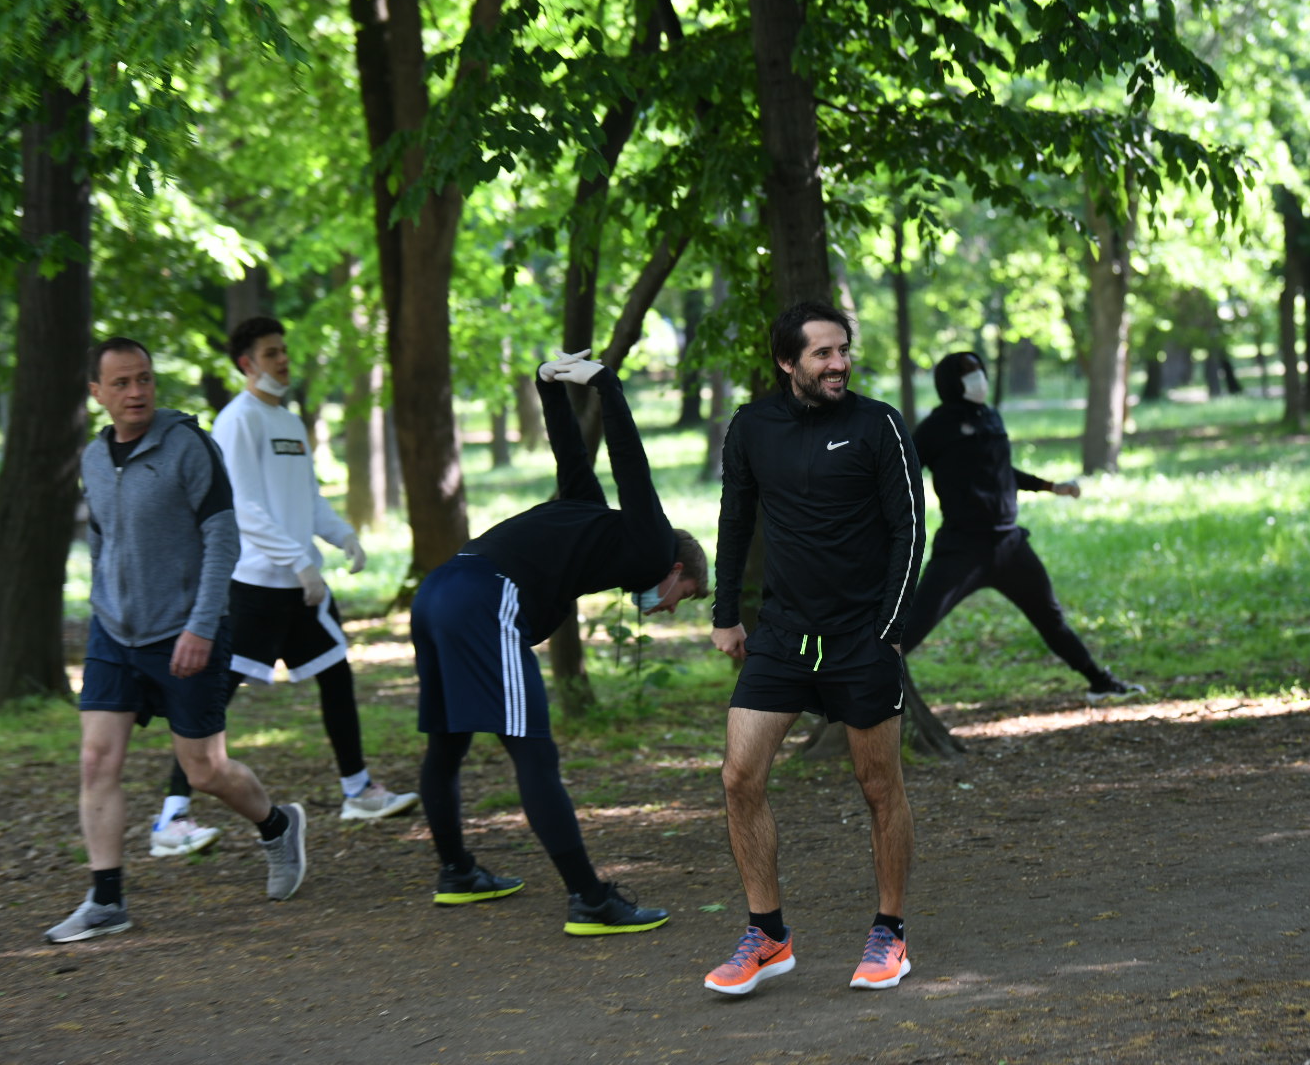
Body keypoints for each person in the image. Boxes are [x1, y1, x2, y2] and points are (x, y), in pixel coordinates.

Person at [410, 349, 707, 932]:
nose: (667, 609)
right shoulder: (650, 546)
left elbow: (570, 451)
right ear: (676, 569)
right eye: (683, 595)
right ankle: (591, 900)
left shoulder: (585, 512)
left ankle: (457, 872)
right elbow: (632, 466)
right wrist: (607, 387)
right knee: (536, 756)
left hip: (439, 589)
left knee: (447, 745)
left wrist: (547, 386)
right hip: (482, 600)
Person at [47, 338, 307, 943]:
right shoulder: (92, 458)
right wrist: (101, 609)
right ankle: (107, 900)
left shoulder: (189, 446)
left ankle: (276, 826)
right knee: (95, 760)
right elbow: (104, 542)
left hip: (188, 632)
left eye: (144, 379)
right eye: (121, 383)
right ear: (97, 393)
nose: (136, 392)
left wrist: (200, 625)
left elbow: (224, 542)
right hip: (115, 634)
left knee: (205, 770)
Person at [705, 300, 926, 996]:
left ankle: (889, 934)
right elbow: (735, 518)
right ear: (786, 362)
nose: (839, 364)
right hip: (780, 636)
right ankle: (767, 935)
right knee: (739, 777)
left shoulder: (878, 425)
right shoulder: (752, 427)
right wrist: (725, 615)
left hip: (862, 637)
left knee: (878, 786)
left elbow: (910, 530)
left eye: (843, 351)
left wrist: (889, 631)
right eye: (823, 354)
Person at [148, 316, 417, 852]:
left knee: (336, 675)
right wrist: (297, 562)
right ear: (247, 363)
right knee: (212, 698)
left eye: (284, 351)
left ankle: (358, 789)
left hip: (303, 588)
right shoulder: (237, 422)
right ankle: (172, 818)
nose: (283, 361)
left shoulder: (289, 422)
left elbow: (307, 498)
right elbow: (241, 507)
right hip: (255, 587)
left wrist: (342, 536)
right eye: (272, 353)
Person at [902, 352, 1143, 701]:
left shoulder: (991, 417)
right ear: (951, 382)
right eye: (969, 373)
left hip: (1010, 546)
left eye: (980, 370)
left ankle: (1099, 681)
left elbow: (1003, 472)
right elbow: (904, 471)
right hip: (962, 549)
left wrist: (1050, 486)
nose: (979, 378)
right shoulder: (936, 427)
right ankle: (850, 689)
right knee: (913, 627)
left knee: (1051, 618)